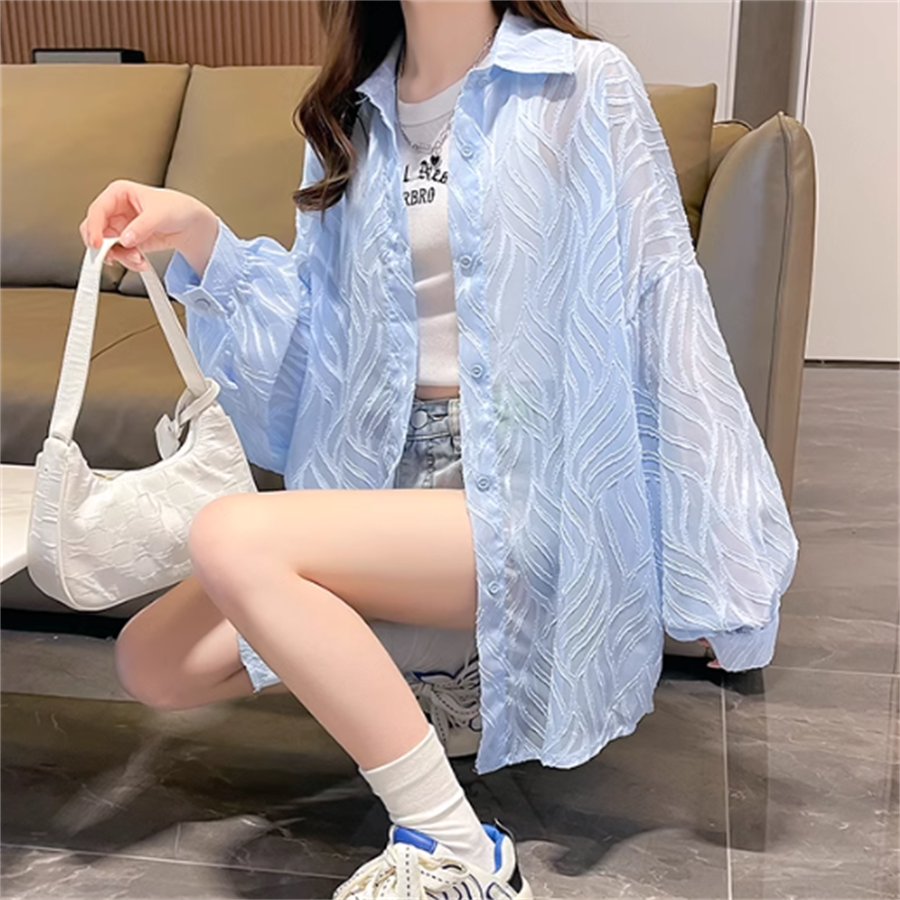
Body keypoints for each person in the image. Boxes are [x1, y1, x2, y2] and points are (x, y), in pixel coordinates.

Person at [80, 1, 799, 897]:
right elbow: (317, 344)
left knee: (232, 535)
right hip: (387, 476)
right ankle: (440, 676)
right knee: (153, 661)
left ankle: (455, 843)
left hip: (530, 482)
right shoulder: (348, 113)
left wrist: (725, 570)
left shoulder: (579, 82)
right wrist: (199, 234)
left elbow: (664, 310)